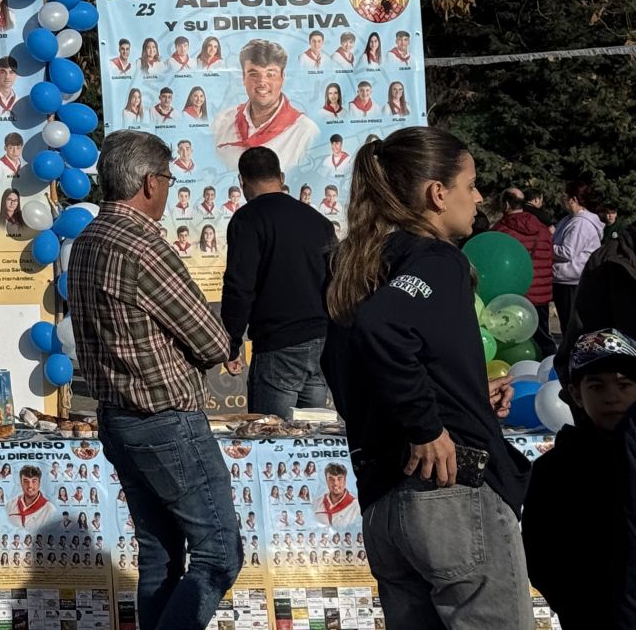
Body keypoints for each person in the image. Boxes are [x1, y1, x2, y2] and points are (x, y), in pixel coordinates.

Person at [322, 126, 529, 628]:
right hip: (450, 497)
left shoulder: (359, 264)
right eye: (471, 184)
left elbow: (347, 365)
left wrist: (459, 395)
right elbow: (383, 326)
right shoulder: (435, 259)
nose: (479, 198)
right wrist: (426, 426)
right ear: (438, 193)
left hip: (385, 505)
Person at [67, 130, 240, 630]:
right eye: (167, 179)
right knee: (219, 554)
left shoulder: (89, 240)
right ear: (148, 182)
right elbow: (211, 339)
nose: (168, 188)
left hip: (118, 416)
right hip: (165, 417)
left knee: (160, 554)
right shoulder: (142, 245)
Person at [521, 327, 636, 628]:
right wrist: (578, 606)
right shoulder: (555, 469)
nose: (612, 397)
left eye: (624, 386)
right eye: (597, 387)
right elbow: (540, 551)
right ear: (575, 394)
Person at [218, 146, 335, 417]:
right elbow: (336, 281)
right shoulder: (318, 221)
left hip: (277, 346)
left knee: (272, 439)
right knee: (313, 443)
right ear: (281, 177)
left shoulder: (248, 219)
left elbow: (239, 285)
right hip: (322, 342)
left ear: (242, 182)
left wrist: (231, 343)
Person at [210, 39, 317, 169]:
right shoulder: (222, 122)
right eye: (254, 74)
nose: (262, 82)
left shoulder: (306, 133)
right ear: (243, 78)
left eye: (270, 74)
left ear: (283, 77)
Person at [494, 188, 555, 351]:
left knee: (513, 340)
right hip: (541, 294)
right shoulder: (542, 229)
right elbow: (551, 257)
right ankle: (553, 372)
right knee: (543, 338)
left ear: (506, 204)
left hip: (516, 294)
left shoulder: (501, 230)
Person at [554, 180, 607, 334]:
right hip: (563, 278)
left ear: (574, 199)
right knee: (567, 323)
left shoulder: (581, 223)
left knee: (573, 326)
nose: (561, 198)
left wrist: (545, 247)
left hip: (572, 279)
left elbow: (567, 252)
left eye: (564, 195)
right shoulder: (568, 219)